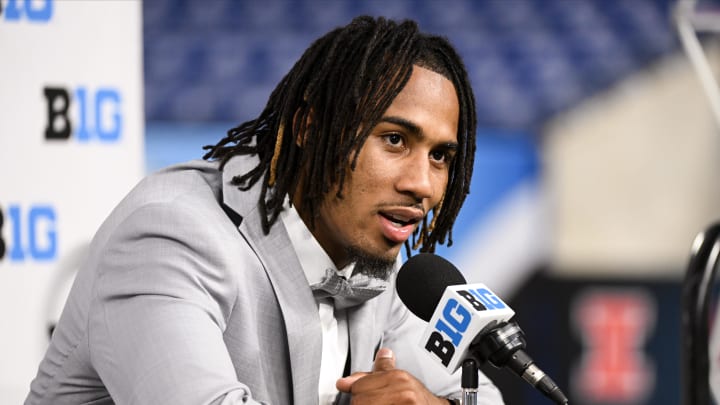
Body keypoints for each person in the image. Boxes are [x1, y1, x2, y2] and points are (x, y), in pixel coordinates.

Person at [25, 15, 504, 405]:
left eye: (441, 156)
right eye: (394, 140)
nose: (422, 184)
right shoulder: (171, 233)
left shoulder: (378, 266)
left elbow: (477, 395)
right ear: (309, 128)